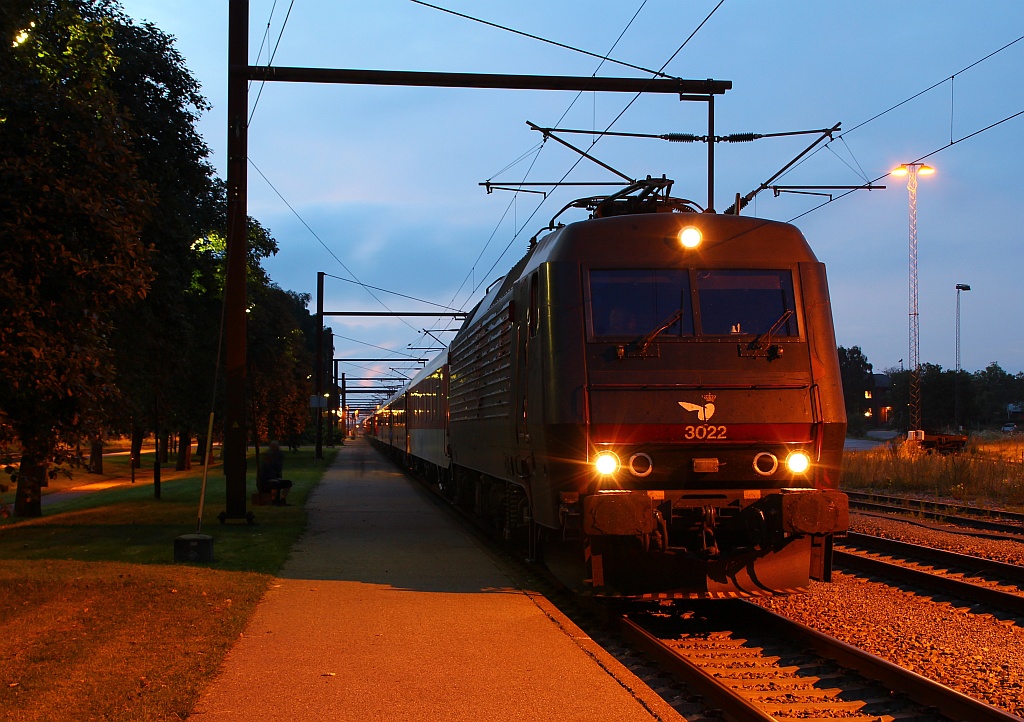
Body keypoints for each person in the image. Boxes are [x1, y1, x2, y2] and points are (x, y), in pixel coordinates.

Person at [257, 440, 293, 506]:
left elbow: (278, 470)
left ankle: (283, 499)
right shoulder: (264, 465)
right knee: (275, 484)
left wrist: (277, 478)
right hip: (266, 482)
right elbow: (263, 476)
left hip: (276, 479)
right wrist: (272, 478)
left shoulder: (277, 460)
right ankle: (274, 501)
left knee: (288, 483)